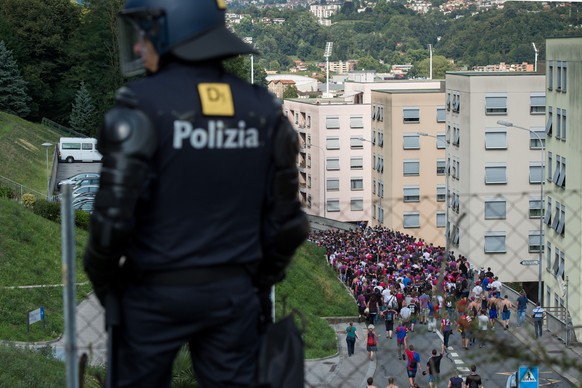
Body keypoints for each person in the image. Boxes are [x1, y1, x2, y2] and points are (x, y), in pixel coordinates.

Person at [81, 1, 309, 386]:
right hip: (234, 296)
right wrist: (255, 282)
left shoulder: (141, 107)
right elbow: (288, 226)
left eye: (144, 35)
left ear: (172, 31)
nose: (138, 47)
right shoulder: (263, 111)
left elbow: (111, 225)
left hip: (152, 293)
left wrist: (109, 286)